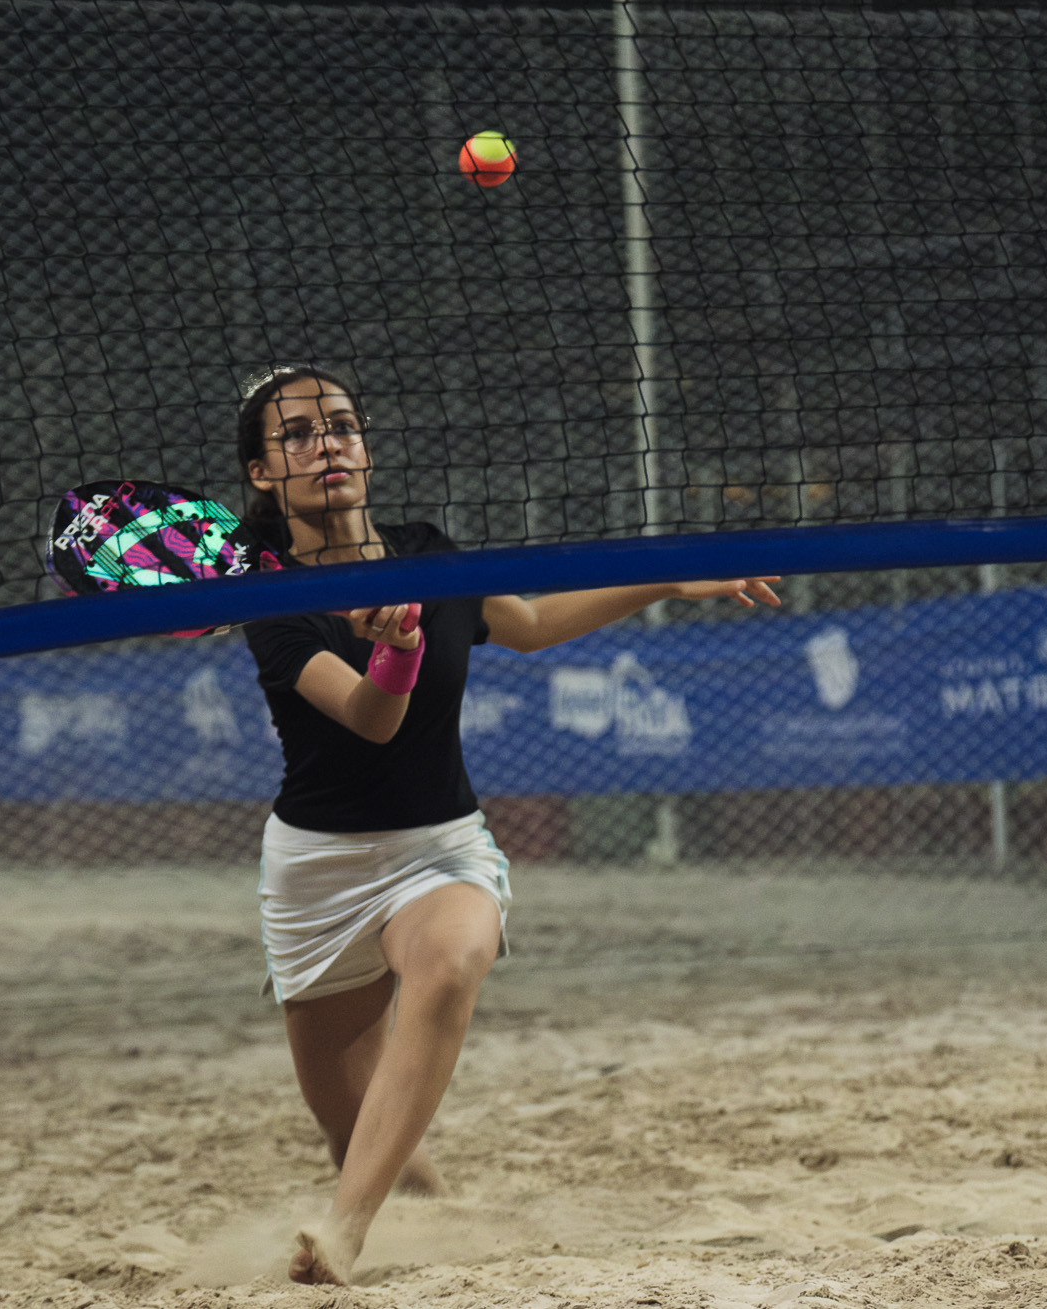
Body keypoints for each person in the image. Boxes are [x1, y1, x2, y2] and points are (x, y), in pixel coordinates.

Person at [234, 363, 781, 1285]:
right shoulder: (266, 596)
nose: (328, 443)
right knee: (357, 1127)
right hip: (316, 873)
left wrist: (664, 579)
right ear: (261, 472)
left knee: (452, 961)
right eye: (298, 433)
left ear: (366, 449)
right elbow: (370, 717)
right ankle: (427, 1225)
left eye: (343, 425)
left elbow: (525, 621)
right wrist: (397, 652)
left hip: (437, 848)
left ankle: (343, 1234)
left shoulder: (430, 555)